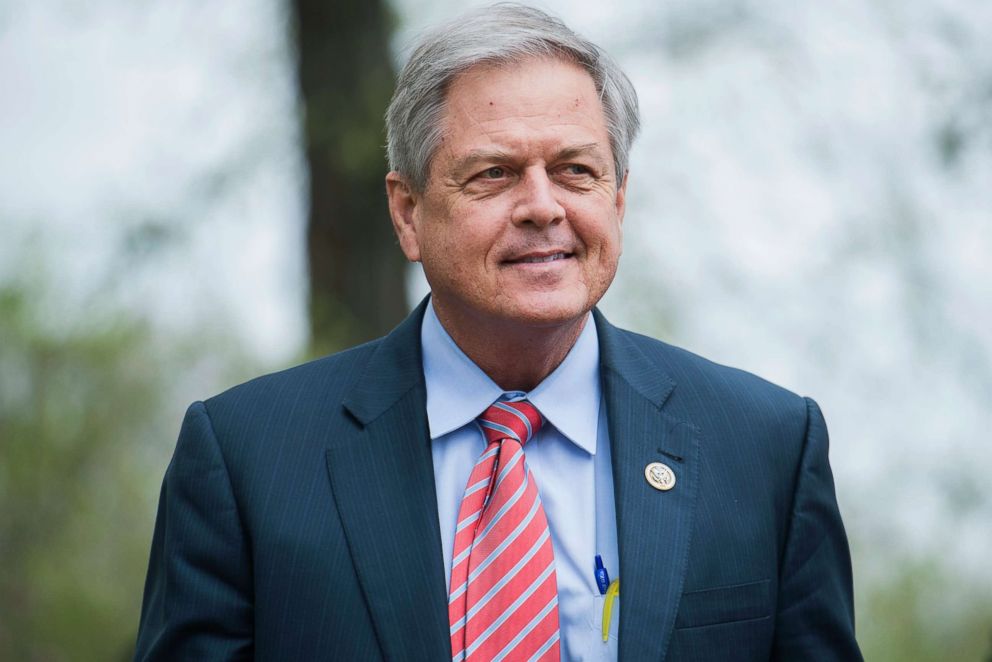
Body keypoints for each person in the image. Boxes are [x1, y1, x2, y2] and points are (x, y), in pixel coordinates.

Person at [134, 3, 862, 661]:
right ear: (408, 212)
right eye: (494, 174)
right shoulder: (248, 461)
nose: (542, 207)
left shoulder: (765, 451)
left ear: (619, 198)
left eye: (576, 171)